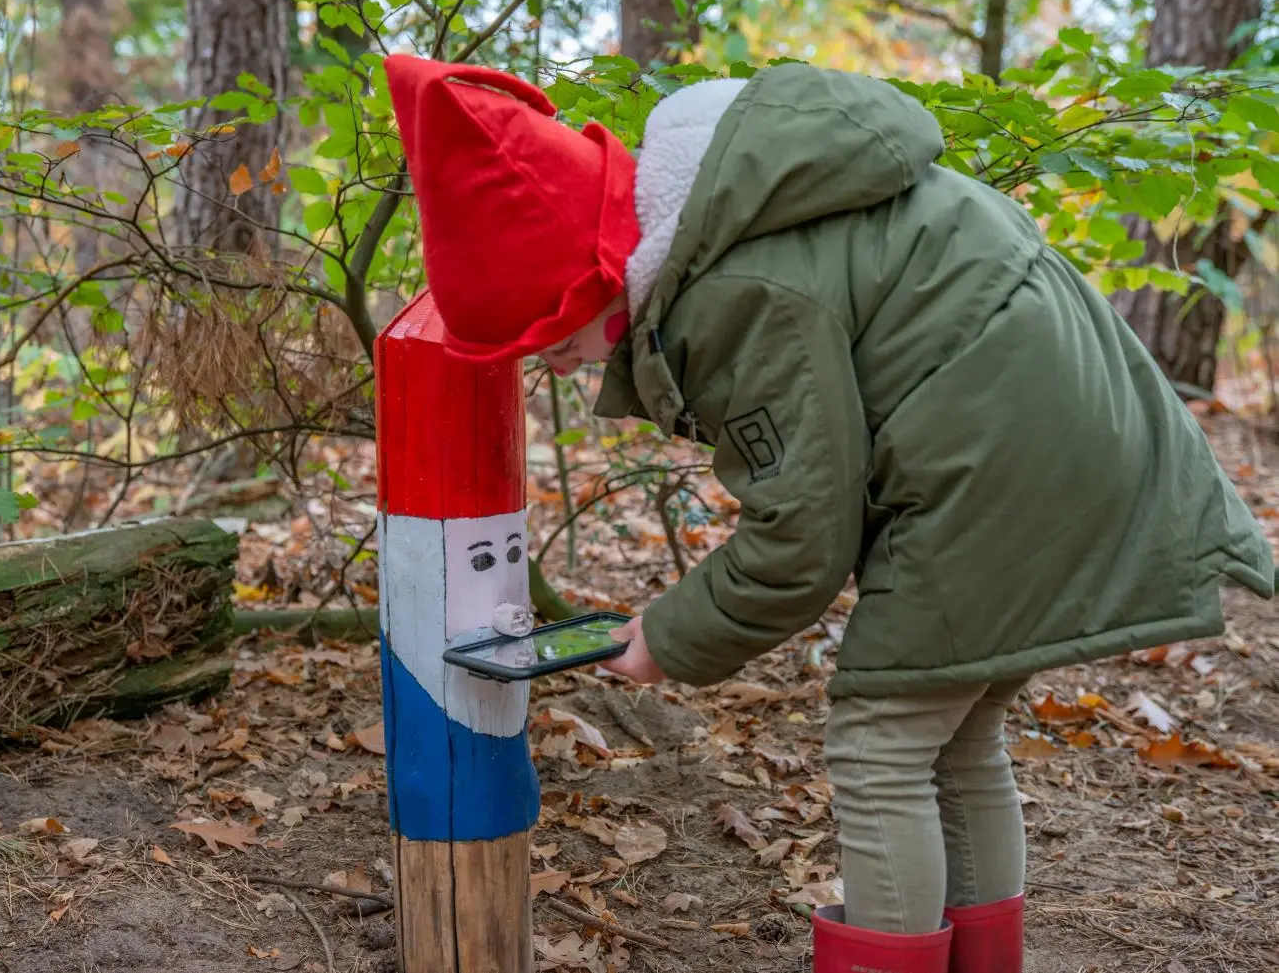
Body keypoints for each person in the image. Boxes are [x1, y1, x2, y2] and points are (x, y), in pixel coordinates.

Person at [380, 53, 1276, 973]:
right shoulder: (736, 215)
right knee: (956, 734)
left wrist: (670, 635)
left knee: (881, 743)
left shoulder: (734, 289)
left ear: (596, 278)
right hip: (1066, 437)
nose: (559, 366)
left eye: (552, 339)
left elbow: (800, 542)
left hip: (998, 465)